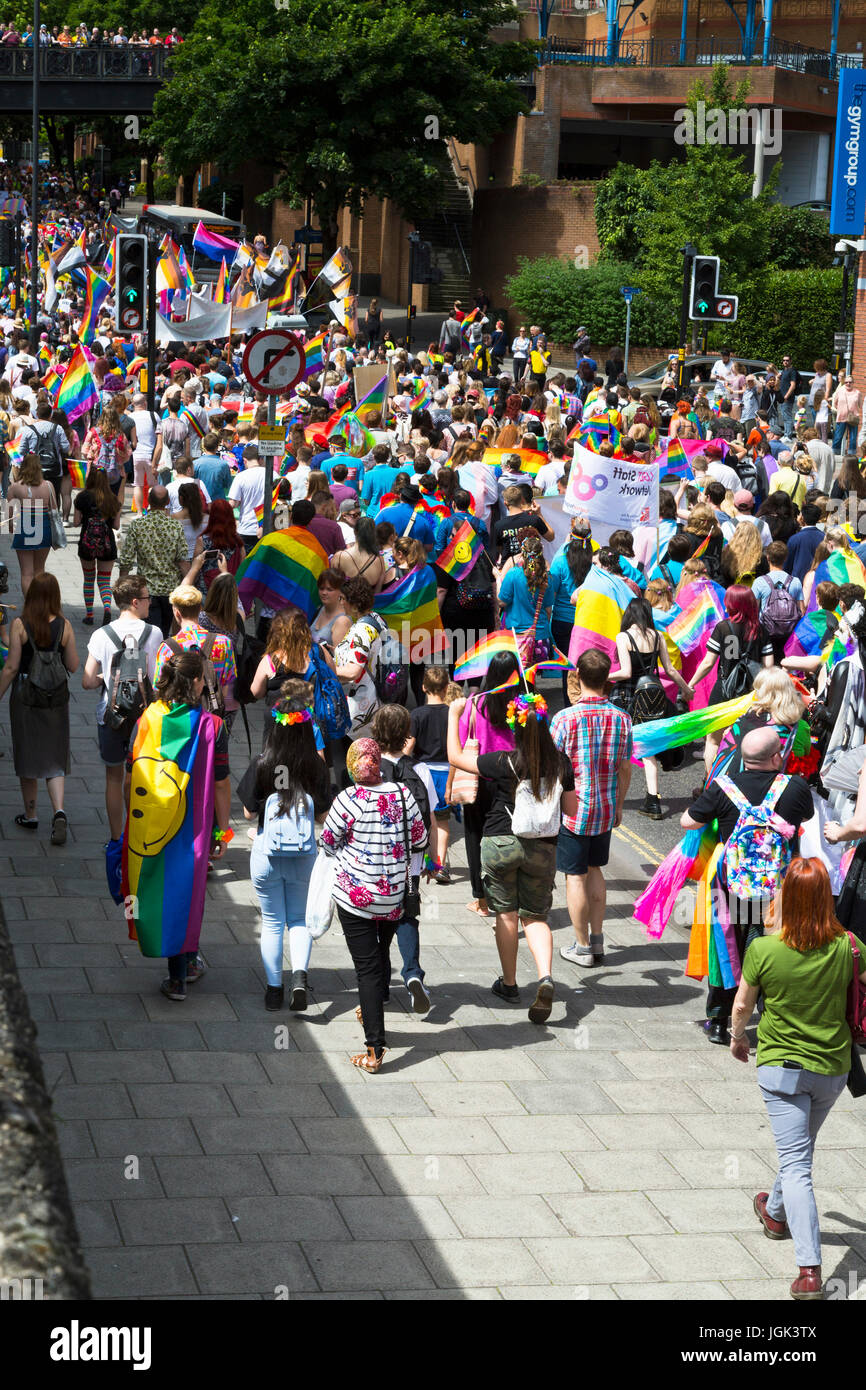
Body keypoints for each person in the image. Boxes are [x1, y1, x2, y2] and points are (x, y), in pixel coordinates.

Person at [730, 857, 866, 1300]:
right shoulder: (850, 946)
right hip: (832, 1070)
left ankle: (809, 1271)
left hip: (783, 1072)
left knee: (797, 1165)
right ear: (826, 897)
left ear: (785, 895)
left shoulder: (765, 949)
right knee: (798, 1151)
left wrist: (737, 1039)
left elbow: (742, 1006)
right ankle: (773, 1211)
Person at [448, 690, 576, 1023]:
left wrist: (454, 714)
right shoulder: (561, 763)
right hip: (542, 847)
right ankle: (546, 977)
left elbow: (455, 757)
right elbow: (572, 809)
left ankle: (509, 984)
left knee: (506, 914)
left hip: (501, 841)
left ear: (515, 729)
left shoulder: (504, 761)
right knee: (535, 917)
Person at [681, 727, 814, 1044]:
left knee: (726, 952)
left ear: (742, 756)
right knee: (772, 952)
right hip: (778, 889)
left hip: (730, 887)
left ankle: (718, 1021)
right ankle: (772, 1020)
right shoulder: (794, 787)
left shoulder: (723, 788)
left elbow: (688, 821)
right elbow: (805, 819)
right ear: (776, 756)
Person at [122, 648, 231, 1001]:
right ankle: (181, 972)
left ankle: (178, 970)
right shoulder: (212, 727)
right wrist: (223, 831)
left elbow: (130, 775)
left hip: (149, 824)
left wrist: (129, 820)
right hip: (193, 829)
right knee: (187, 894)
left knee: (152, 890)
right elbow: (220, 784)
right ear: (196, 682)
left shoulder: (147, 719)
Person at [321, 738, 427, 1072]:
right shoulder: (402, 794)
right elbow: (421, 840)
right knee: (381, 950)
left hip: (356, 898)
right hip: (394, 894)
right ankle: (376, 1003)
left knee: (365, 969)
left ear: (353, 767)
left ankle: (374, 1047)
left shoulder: (347, 799)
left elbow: (327, 842)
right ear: (378, 762)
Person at [239, 679, 331, 1012]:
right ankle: (300, 979)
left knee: (273, 921)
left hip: (267, 854)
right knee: (299, 920)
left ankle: (274, 989)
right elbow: (322, 817)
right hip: (304, 856)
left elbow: (249, 812)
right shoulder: (315, 766)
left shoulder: (264, 764)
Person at [551, 649, 633, 969]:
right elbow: (625, 769)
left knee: (575, 876)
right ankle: (597, 940)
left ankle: (582, 946)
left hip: (573, 809)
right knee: (596, 870)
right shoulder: (622, 719)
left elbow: (552, 767)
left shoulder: (564, 719)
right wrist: (620, 805)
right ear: (607, 678)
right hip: (606, 807)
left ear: (579, 677)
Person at [80, 574, 163, 840]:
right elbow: (157, 679)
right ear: (136, 602)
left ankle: (116, 838)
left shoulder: (101, 635)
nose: (151, 602)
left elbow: (87, 681)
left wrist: (108, 676)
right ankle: (138, 836)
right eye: (148, 598)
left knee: (113, 778)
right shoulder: (155, 633)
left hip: (111, 714)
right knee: (140, 777)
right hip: (145, 718)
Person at [0, 572, 78, 841]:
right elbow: (74, 665)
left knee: (27, 752)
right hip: (56, 698)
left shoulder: (20, 625)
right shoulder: (65, 625)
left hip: (26, 697)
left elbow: (11, 668)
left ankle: (30, 814)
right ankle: (58, 811)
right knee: (55, 755)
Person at [370, 703, 434, 1012]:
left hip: (376, 861)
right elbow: (431, 816)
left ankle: (381, 987)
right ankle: (412, 974)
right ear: (406, 734)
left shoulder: (367, 768)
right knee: (407, 916)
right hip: (410, 862)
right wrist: (432, 860)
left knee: (378, 923)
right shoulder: (419, 770)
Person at [609, 597, 693, 819]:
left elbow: (625, 672)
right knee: (648, 751)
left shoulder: (623, 636)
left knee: (618, 745)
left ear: (629, 614)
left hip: (627, 695)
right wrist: (686, 690)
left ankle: (611, 795)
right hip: (653, 697)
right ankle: (653, 801)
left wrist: (602, 676)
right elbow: (671, 670)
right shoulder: (657, 637)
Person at [689, 585, 775, 777]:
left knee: (712, 741)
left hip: (723, 691)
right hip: (751, 696)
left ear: (732, 604)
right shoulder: (760, 630)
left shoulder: (723, 628)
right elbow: (769, 667)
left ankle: (710, 786)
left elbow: (708, 663)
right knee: (745, 740)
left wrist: (691, 684)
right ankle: (738, 783)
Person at [118, 486, 189, 637]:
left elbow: (126, 560)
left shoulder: (137, 525)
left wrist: (122, 586)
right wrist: (189, 585)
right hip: (171, 590)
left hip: (146, 590)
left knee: (150, 634)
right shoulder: (175, 526)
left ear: (148, 501)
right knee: (163, 631)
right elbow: (182, 559)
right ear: (168, 502)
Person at [152, 584, 237, 708]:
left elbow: (158, 686)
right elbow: (226, 684)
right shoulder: (224, 642)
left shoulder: (167, 647)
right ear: (200, 609)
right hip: (210, 715)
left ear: (176, 612)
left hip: (179, 717)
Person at [408, 664, 452, 883]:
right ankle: (440, 864)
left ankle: (425, 861)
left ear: (423, 687)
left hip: (423, 774)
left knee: (424, 819)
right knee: (443, 821)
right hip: (446, 773)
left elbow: (408, 746)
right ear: (446, 688)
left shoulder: (416, 714)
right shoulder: (452, 713)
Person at [73, 465, 121, 626]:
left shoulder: (81, 497)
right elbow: (116, 526)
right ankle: (107, 607)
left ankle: (89, 615)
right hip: (107, 545)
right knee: (104, 580)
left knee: (88, 579)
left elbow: (76, 522)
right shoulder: (113, 499)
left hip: (86, 544)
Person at [6, 453, 55, 595]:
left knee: (26, 573)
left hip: (25, 524)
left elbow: (8, 512)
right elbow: (54, 510)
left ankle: (29, 608)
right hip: (43, 524)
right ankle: (40, 605)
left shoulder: (15, 487)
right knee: (40, 570)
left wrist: (10, 528)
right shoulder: (48, 486)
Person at [185, 498, 244, 596]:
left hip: (206, 592)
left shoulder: (202, 540)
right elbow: (242, 568)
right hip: (230, 591)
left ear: (212, 517)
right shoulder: (238, 542)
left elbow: (195, 566)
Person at [329, 514, 388, 591]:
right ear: (374, 534)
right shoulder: (379, 560)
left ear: (355, 532)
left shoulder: (339, 557)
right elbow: (377, 591)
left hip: (344, 601)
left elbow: (333, 585)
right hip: (368, 602)